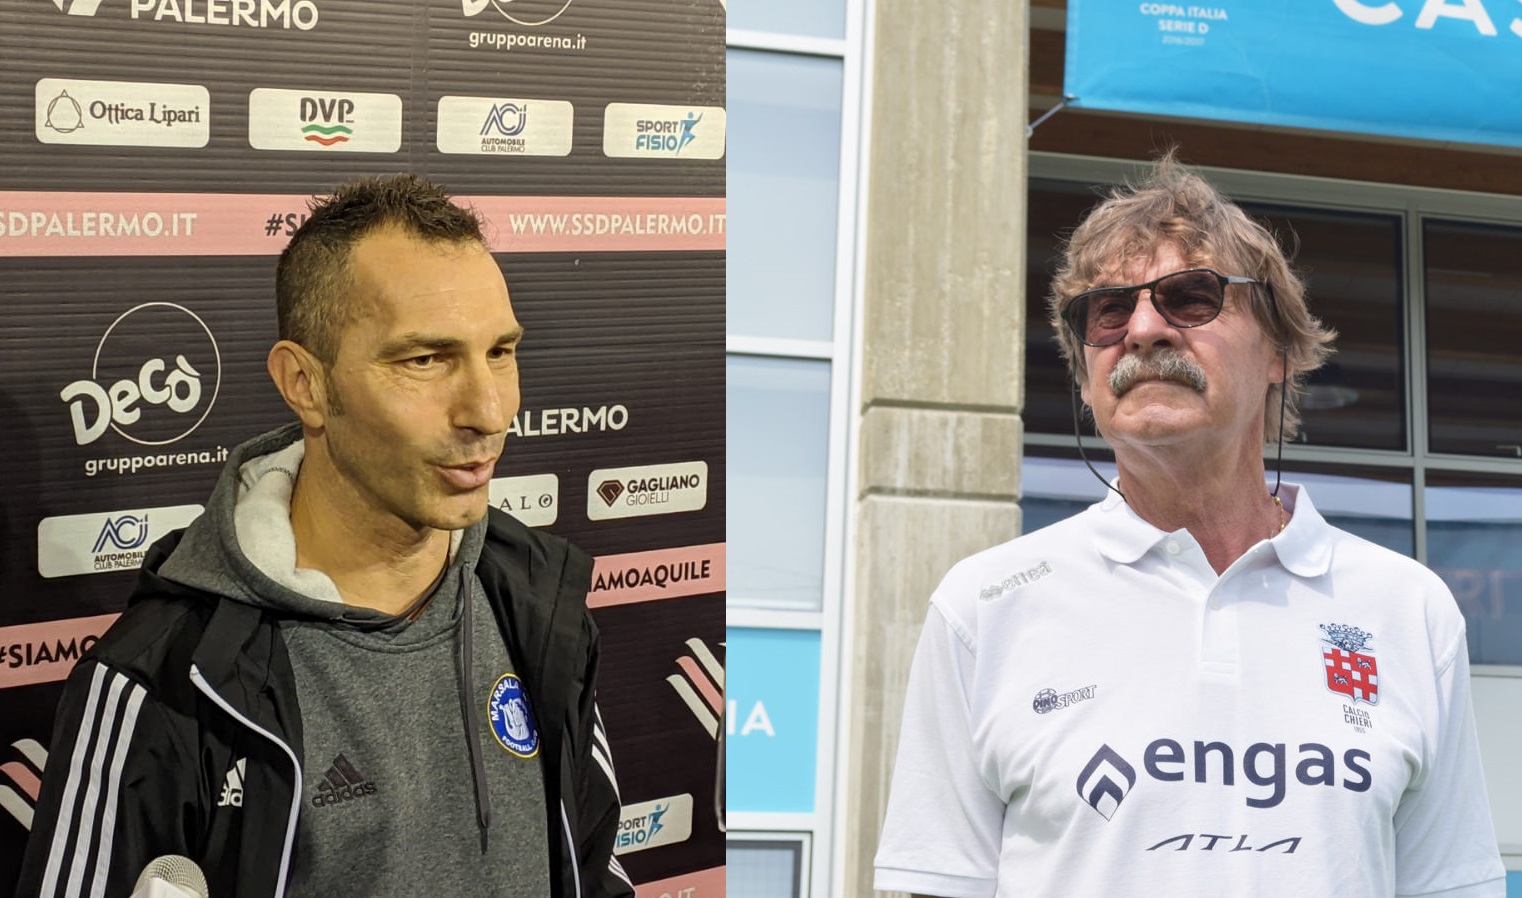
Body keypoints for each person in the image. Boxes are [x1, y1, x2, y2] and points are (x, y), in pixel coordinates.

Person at [873, 155, 1506, 897]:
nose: (1143, 329)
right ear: (1084, 376)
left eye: (1191, 298)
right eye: (1108, 311)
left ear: (1278, 352)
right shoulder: (986, 607)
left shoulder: (1408, 610)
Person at [18, 174, 635, 898]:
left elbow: (595, 863)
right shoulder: (162, 681)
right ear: (304, 384)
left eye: (500, 351)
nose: (490, 410)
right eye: (424, 360)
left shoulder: (535, 598)